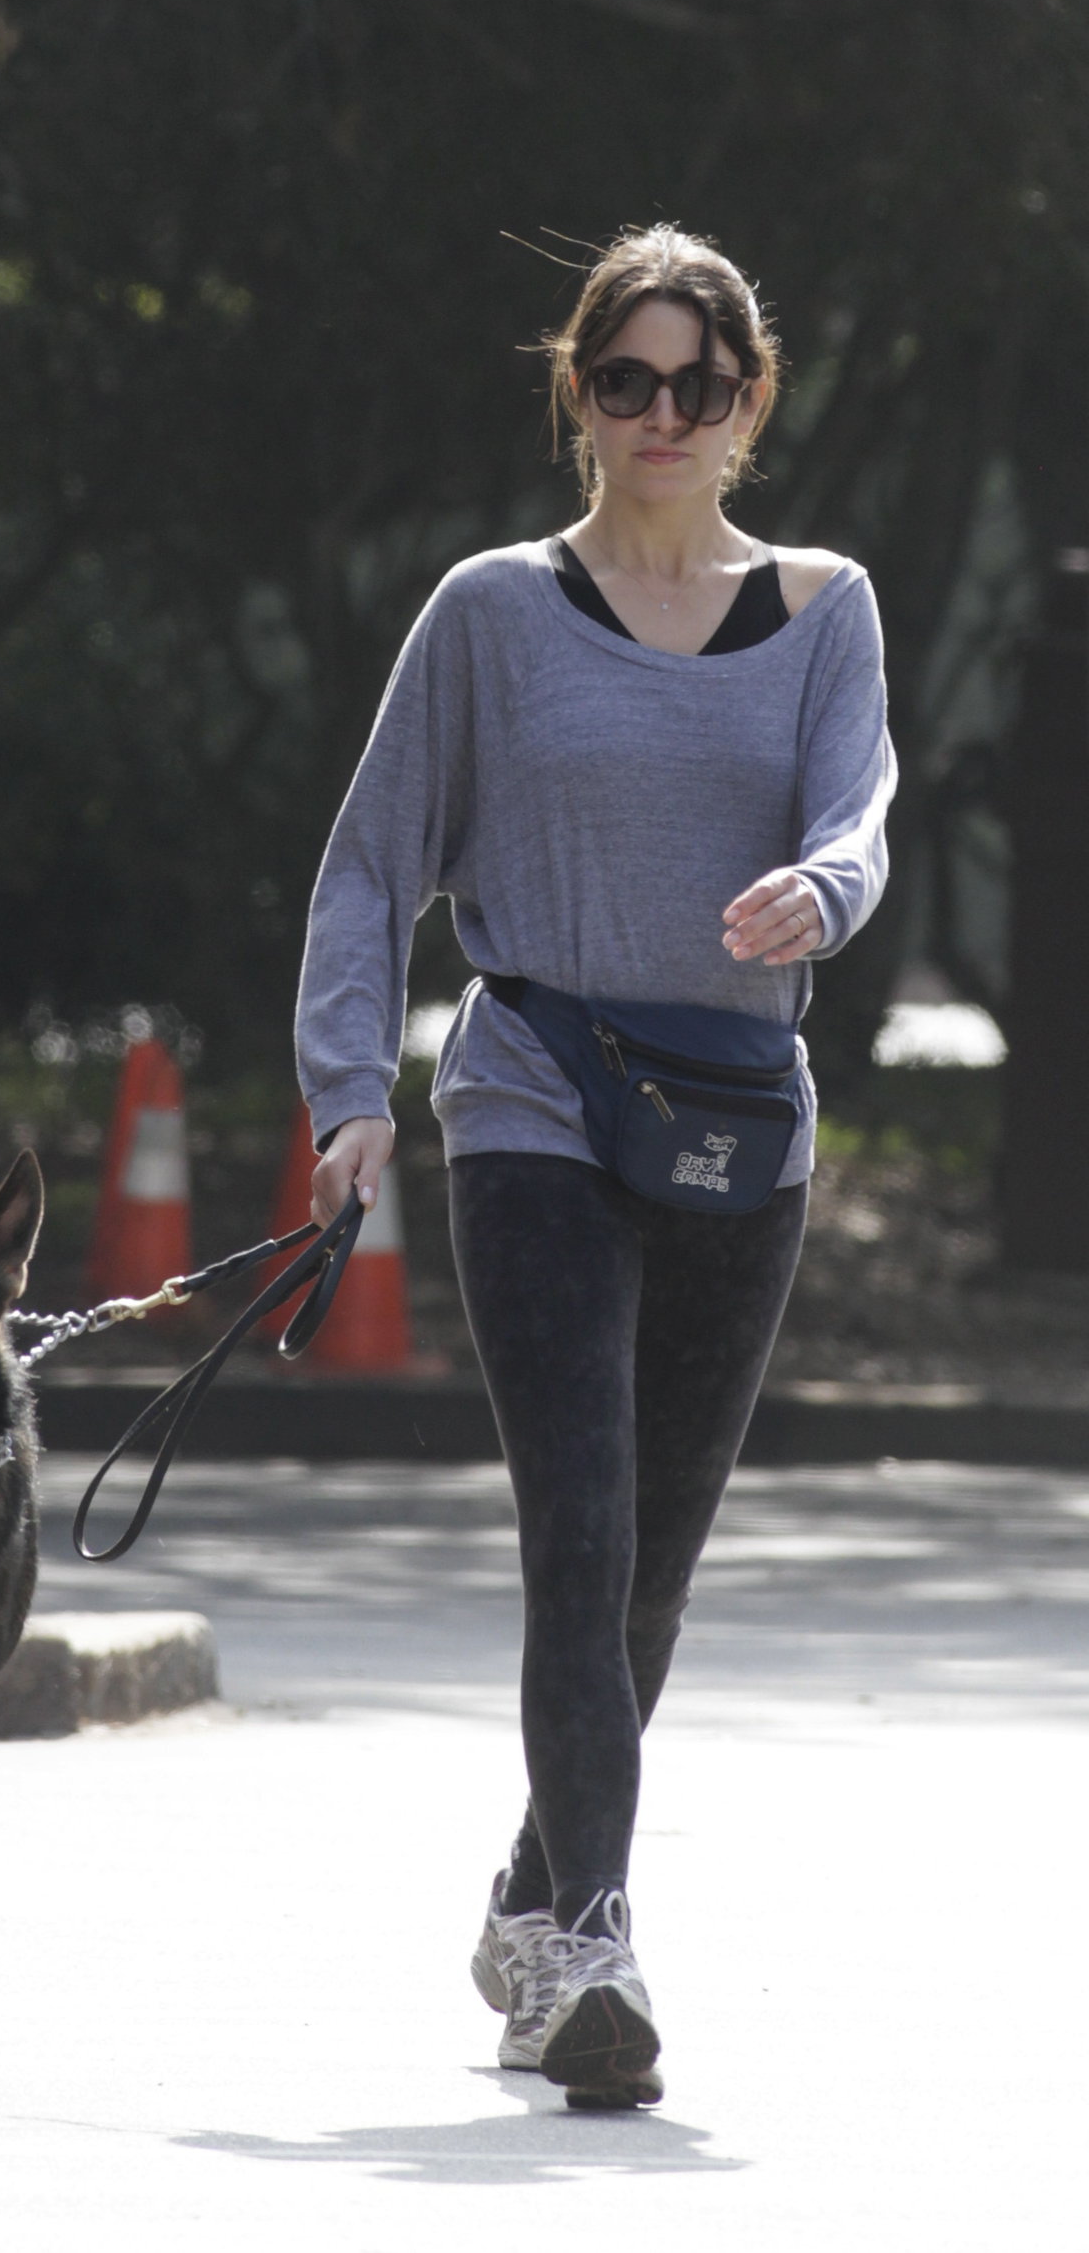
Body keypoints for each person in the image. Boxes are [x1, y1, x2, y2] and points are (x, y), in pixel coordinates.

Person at [293, 225, 895, 2108]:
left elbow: (859, 805)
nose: (660, 414)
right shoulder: (489, 609)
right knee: (579, 1525)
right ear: (580, 394)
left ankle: (536, 1883)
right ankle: (591, 1956)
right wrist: (348, 1090)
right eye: (623, 379)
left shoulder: (827, 609)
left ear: (748, 406)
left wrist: (827, 887)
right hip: (535, 1093)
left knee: (655, 1564)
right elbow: (375, 858)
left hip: (738, 1123)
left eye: (696, 386)